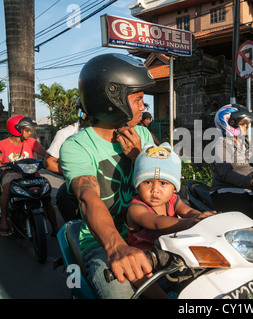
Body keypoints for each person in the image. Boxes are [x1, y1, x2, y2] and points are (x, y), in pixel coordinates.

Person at [59, 53, 157, 299]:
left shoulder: (143, 136)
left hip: (147, 229)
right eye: (138, 100)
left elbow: (165, 183)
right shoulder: (77, 146)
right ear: (112, 99)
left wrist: (139, 157)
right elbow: (88, 198)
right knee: (119, 293)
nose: (143, 107)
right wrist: (116, 248)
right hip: (100, 243)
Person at [125, 142, 216, 297]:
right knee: (138, 275)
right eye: (147, 182)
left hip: (172, 258)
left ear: (174, 187)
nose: (155, 190)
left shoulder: (173, 200)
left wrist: (202, 217)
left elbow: (188, 211)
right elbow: (156, 222)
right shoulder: (136, 208)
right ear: (137, 184)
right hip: (148, 263)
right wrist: (188, 223)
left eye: (163, 183)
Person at [0, 115, 58, 236]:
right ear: (17, 129)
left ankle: (56, 227)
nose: (29, 132)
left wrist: (51, 158)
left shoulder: (31, 142)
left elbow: (45, 153)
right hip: (11, 174)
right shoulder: (2, 144)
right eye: (26, 130)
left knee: (46, 193)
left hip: (32, 175)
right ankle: (4, 221)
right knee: (6, 189)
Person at [210, 104, 253, 220]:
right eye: (243, 124)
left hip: (245, 188)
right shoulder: (220, 144)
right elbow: (226, 173)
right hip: (224, 190)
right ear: (230, 124)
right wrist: (250, 181)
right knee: (246, 213)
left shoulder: (246, 143)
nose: (246, 126)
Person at [43, 103, 93, 222]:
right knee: (64, 197)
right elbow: (49, 162)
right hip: (79, 183)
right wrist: (73, 175)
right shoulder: (66, 133)